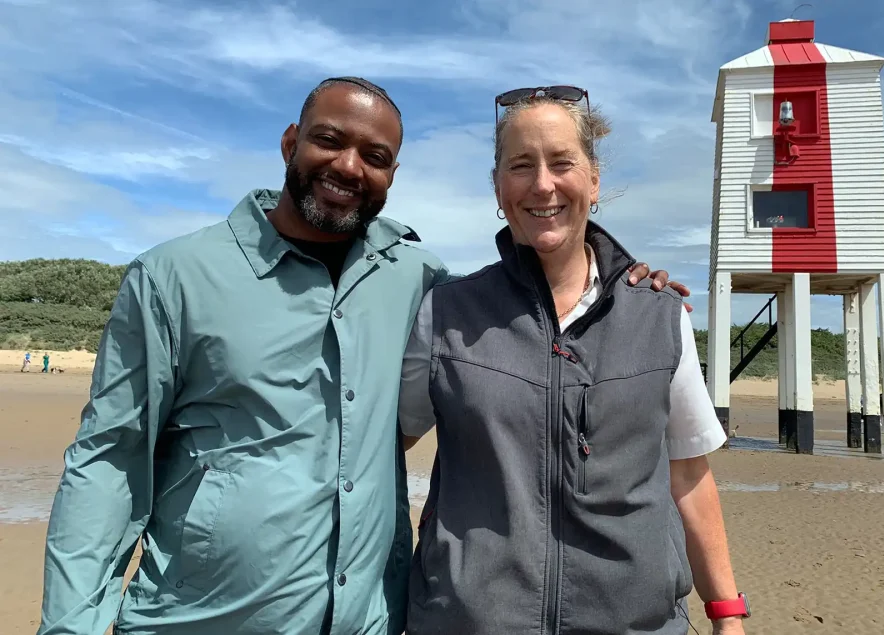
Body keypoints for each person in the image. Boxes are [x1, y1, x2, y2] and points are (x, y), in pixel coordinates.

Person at [37, 77, 685, 635]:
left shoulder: (423, 283)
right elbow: (108, 457)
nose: (350, 166)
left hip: (368, 618)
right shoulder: (174, 277)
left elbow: (529, 306)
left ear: (392, 175)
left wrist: (627, 282)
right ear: (290, 142)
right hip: (203, 616)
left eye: (375, 155)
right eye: (330, 140)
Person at [399, 86, 747, 635]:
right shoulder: (445, 313)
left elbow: (688, 473)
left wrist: (726, 612)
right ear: (497, 186)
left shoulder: (660, 317)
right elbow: (379, 452)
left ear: (594, 179)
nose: (542, 184)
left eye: (562, 162)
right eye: (520, 165)